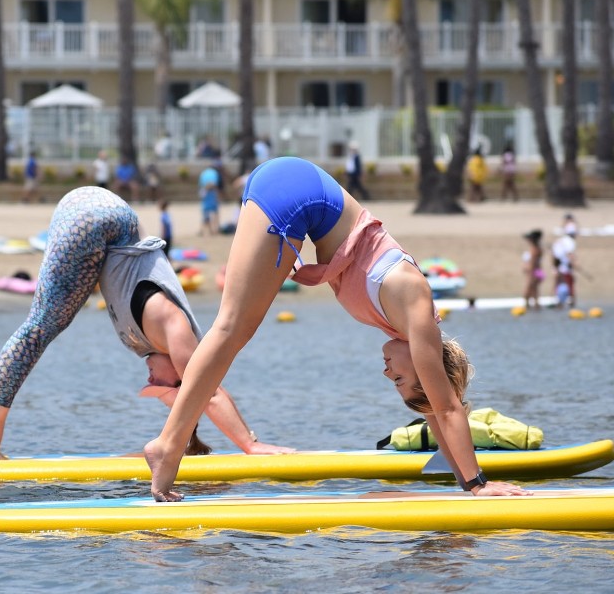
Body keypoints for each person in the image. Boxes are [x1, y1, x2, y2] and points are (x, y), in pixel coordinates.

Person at [142, 157, 530, 502]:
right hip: (297, 194)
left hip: (293, 189)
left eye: (393, 380)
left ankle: (170, 443)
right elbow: (445, 407)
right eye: (400, 379)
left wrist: (319, 272)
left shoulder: (398, 324)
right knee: (230, 329)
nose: (387, 373)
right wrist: (478, 484)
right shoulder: (418, 314)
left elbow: (434, 409)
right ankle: (169, 445)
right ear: (427, 369)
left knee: (233, 328)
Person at [0, 186, 293, 461]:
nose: (149, 378)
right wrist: (250, 444)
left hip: (91, 212)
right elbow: (209, 393)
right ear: (181, 379)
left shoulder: (144, 343)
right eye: (160, 385)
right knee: (43, 325)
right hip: (100, 219)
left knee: (52, 322)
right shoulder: (177, 330)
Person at [552, 224, 577, 308]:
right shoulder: (570, 241)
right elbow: (570, 254)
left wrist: (555, 266)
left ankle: (558, 301)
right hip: (565, 266)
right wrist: (574, 263)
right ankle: (571, 300)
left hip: (557, 266)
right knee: (569, 283)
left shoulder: (560, 240)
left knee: (558, 284)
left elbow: (554, 255)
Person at [521, 229, 544, 309]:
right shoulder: (535, 248)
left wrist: (530, 274)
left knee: (528, 294)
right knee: (534, 293)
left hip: (533, 273)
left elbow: (533, 263)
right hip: (535, 272)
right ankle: (533, 309)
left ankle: (530, 309)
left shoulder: (535, 249)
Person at [198, 164, 220, 235]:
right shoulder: (212, 189)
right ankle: (213, 230)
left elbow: (201, 195)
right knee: (213, 215)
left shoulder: (204, 189)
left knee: (206, 216)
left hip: (207, 201)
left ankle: (208, 230)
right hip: (211, 199)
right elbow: (215, 185)